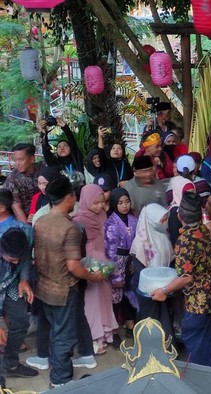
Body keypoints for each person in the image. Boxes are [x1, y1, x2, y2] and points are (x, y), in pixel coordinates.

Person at [34, 176, 104, 388]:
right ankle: (60, 380)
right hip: (65, 289)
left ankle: (59, 373)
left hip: (44, 286)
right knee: (64, 337)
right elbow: (73, 266)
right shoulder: (70, 228)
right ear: (69, 197)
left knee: (56, 331)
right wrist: (94, 276)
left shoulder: (41, 221)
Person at [151, 192, 211, 368]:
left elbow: (185, 277)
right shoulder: (204, 230)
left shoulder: (184, 241)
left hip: (198, 302)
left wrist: (163, 291)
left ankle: (203, 382)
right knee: (209, 343)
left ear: (179, 216)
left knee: (195, 342)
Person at [73, 184, 119, 354]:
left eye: (101, 202)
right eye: (95, 203)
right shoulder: (79, 220)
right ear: (85, 201)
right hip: (89, 266)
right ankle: (92, 337)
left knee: (103, 300)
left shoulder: (102, 215)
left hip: (104, 263)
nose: (100, 206)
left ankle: (103, 335)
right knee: (91, 303)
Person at [130, 203, 175, 337]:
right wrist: (155, 286)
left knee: (164, 318)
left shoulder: (163, 235)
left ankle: (165, 348)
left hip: (165, 288)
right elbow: (141, 271)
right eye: (162, 220)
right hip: (147, 291)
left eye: (166, 219)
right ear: (151, 221)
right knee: (150, 320)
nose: (165, 223)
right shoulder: (140, 243)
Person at [0, 225, 37, 381]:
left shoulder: (27, 233)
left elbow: (27, 256)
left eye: (18, 259)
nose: (16, 262)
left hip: (11, 284)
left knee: (21, 321)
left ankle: (11, 365)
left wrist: (23, 279)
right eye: (11, 259)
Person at [104, 188, 137, 339]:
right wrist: (115, 276)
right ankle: (114, 332)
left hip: (130, 260)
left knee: (129, 294)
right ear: (114, 204)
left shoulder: (133, 219)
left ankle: (131, 326)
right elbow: (110, 251)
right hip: (117, 262)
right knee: (115, 298)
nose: (125, 206)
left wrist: (135, 261)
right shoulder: (111, 222)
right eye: (120, 203)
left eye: (127, 202)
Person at [39, 117, 85, 185]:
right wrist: (44, 133)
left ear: (70, 148)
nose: (62, 148)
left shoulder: (76, 159)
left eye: (65, 146)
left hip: (81, 193)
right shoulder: (55, 164)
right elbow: (46, 152)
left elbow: (73, 142)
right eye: (59, 147)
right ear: (56, 151)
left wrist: (65, 127)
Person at [6, 143, 44, 223]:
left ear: (32, 159)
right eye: (15, 160)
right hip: (26, 217)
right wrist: (26, 225)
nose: (17, 164)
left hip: (45, 209)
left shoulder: (42, 170)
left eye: (20, 160)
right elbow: (16, 205)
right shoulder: (13, 179)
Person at [166, 175, 195, 245]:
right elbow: (175, 239)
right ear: (179, 192)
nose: (190, 197)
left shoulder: (194, 205)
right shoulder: (175, 212)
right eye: (186, 194)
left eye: (192, 193)